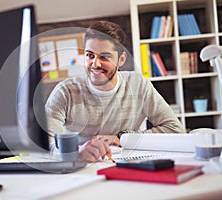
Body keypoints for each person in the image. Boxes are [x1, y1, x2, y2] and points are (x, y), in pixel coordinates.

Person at [45, 20, 184, 163]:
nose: (95, 64)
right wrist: (74, 154)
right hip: (82, 170)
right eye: (90, 55)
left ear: (121, 59)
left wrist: (123, 138)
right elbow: (43, 143)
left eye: (104, 57)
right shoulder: (66, 91)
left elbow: (174, 129)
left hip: (130, 168)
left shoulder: (138, 84)